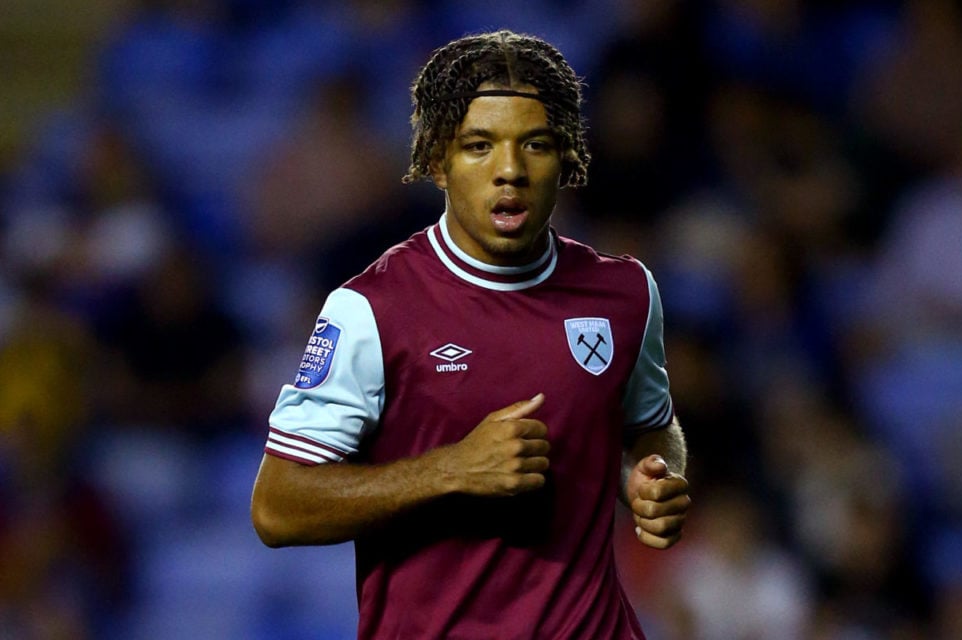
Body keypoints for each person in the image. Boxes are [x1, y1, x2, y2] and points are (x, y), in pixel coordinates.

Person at [251, 29, 691, 640]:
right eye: (479, 146)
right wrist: (450, 470)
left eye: (534, 144)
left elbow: (650, 425)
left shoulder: (626, 295)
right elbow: (276, 507)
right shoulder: (372, 309)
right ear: (437, 161)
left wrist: (650, 480)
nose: (508, 171)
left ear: (564, 156)